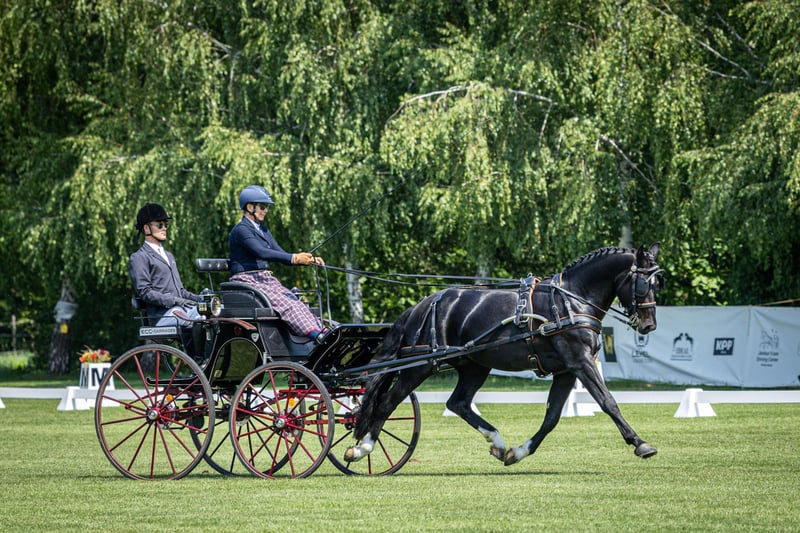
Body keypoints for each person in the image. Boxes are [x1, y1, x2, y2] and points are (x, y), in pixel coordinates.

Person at [228, 185, 327, 343]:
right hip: (247, 280)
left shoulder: (263, 230)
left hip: (265, 279)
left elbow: (279, 252)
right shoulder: (241, 230)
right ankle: (317, 336)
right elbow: (261, 252)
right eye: (262, 206)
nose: (265, 210)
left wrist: (307, 260)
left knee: (297, 302)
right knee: (288, 305)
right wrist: (294, 258)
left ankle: (322, 331)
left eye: (266, 207)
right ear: (249, 207)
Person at [129, 203, 202, 349]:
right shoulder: (139, 257)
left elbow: (181, 292)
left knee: (209, 314)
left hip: (179, 310)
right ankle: (198, 360)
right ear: (146, 228)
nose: (164, 228)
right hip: (161, 316)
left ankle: (210, 361)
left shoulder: (169, 256)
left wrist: (201, 299)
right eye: (160, 224)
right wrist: (173, 300)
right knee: (192, 319)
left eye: (165, 224)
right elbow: (145, 292)